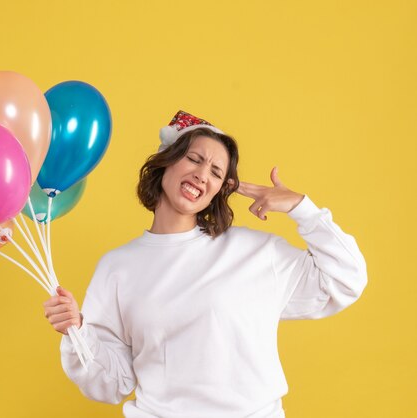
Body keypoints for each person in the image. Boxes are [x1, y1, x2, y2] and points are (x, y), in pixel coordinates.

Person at [42, 110, 367, 418]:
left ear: (219, 190)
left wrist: (301, 208)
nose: (201, 174)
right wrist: (77, 331)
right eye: (194, 159)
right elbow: (112, 384)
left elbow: (346, 278)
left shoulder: (255, 252)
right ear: (164, 164)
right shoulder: (117, 267)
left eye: (216, 172)